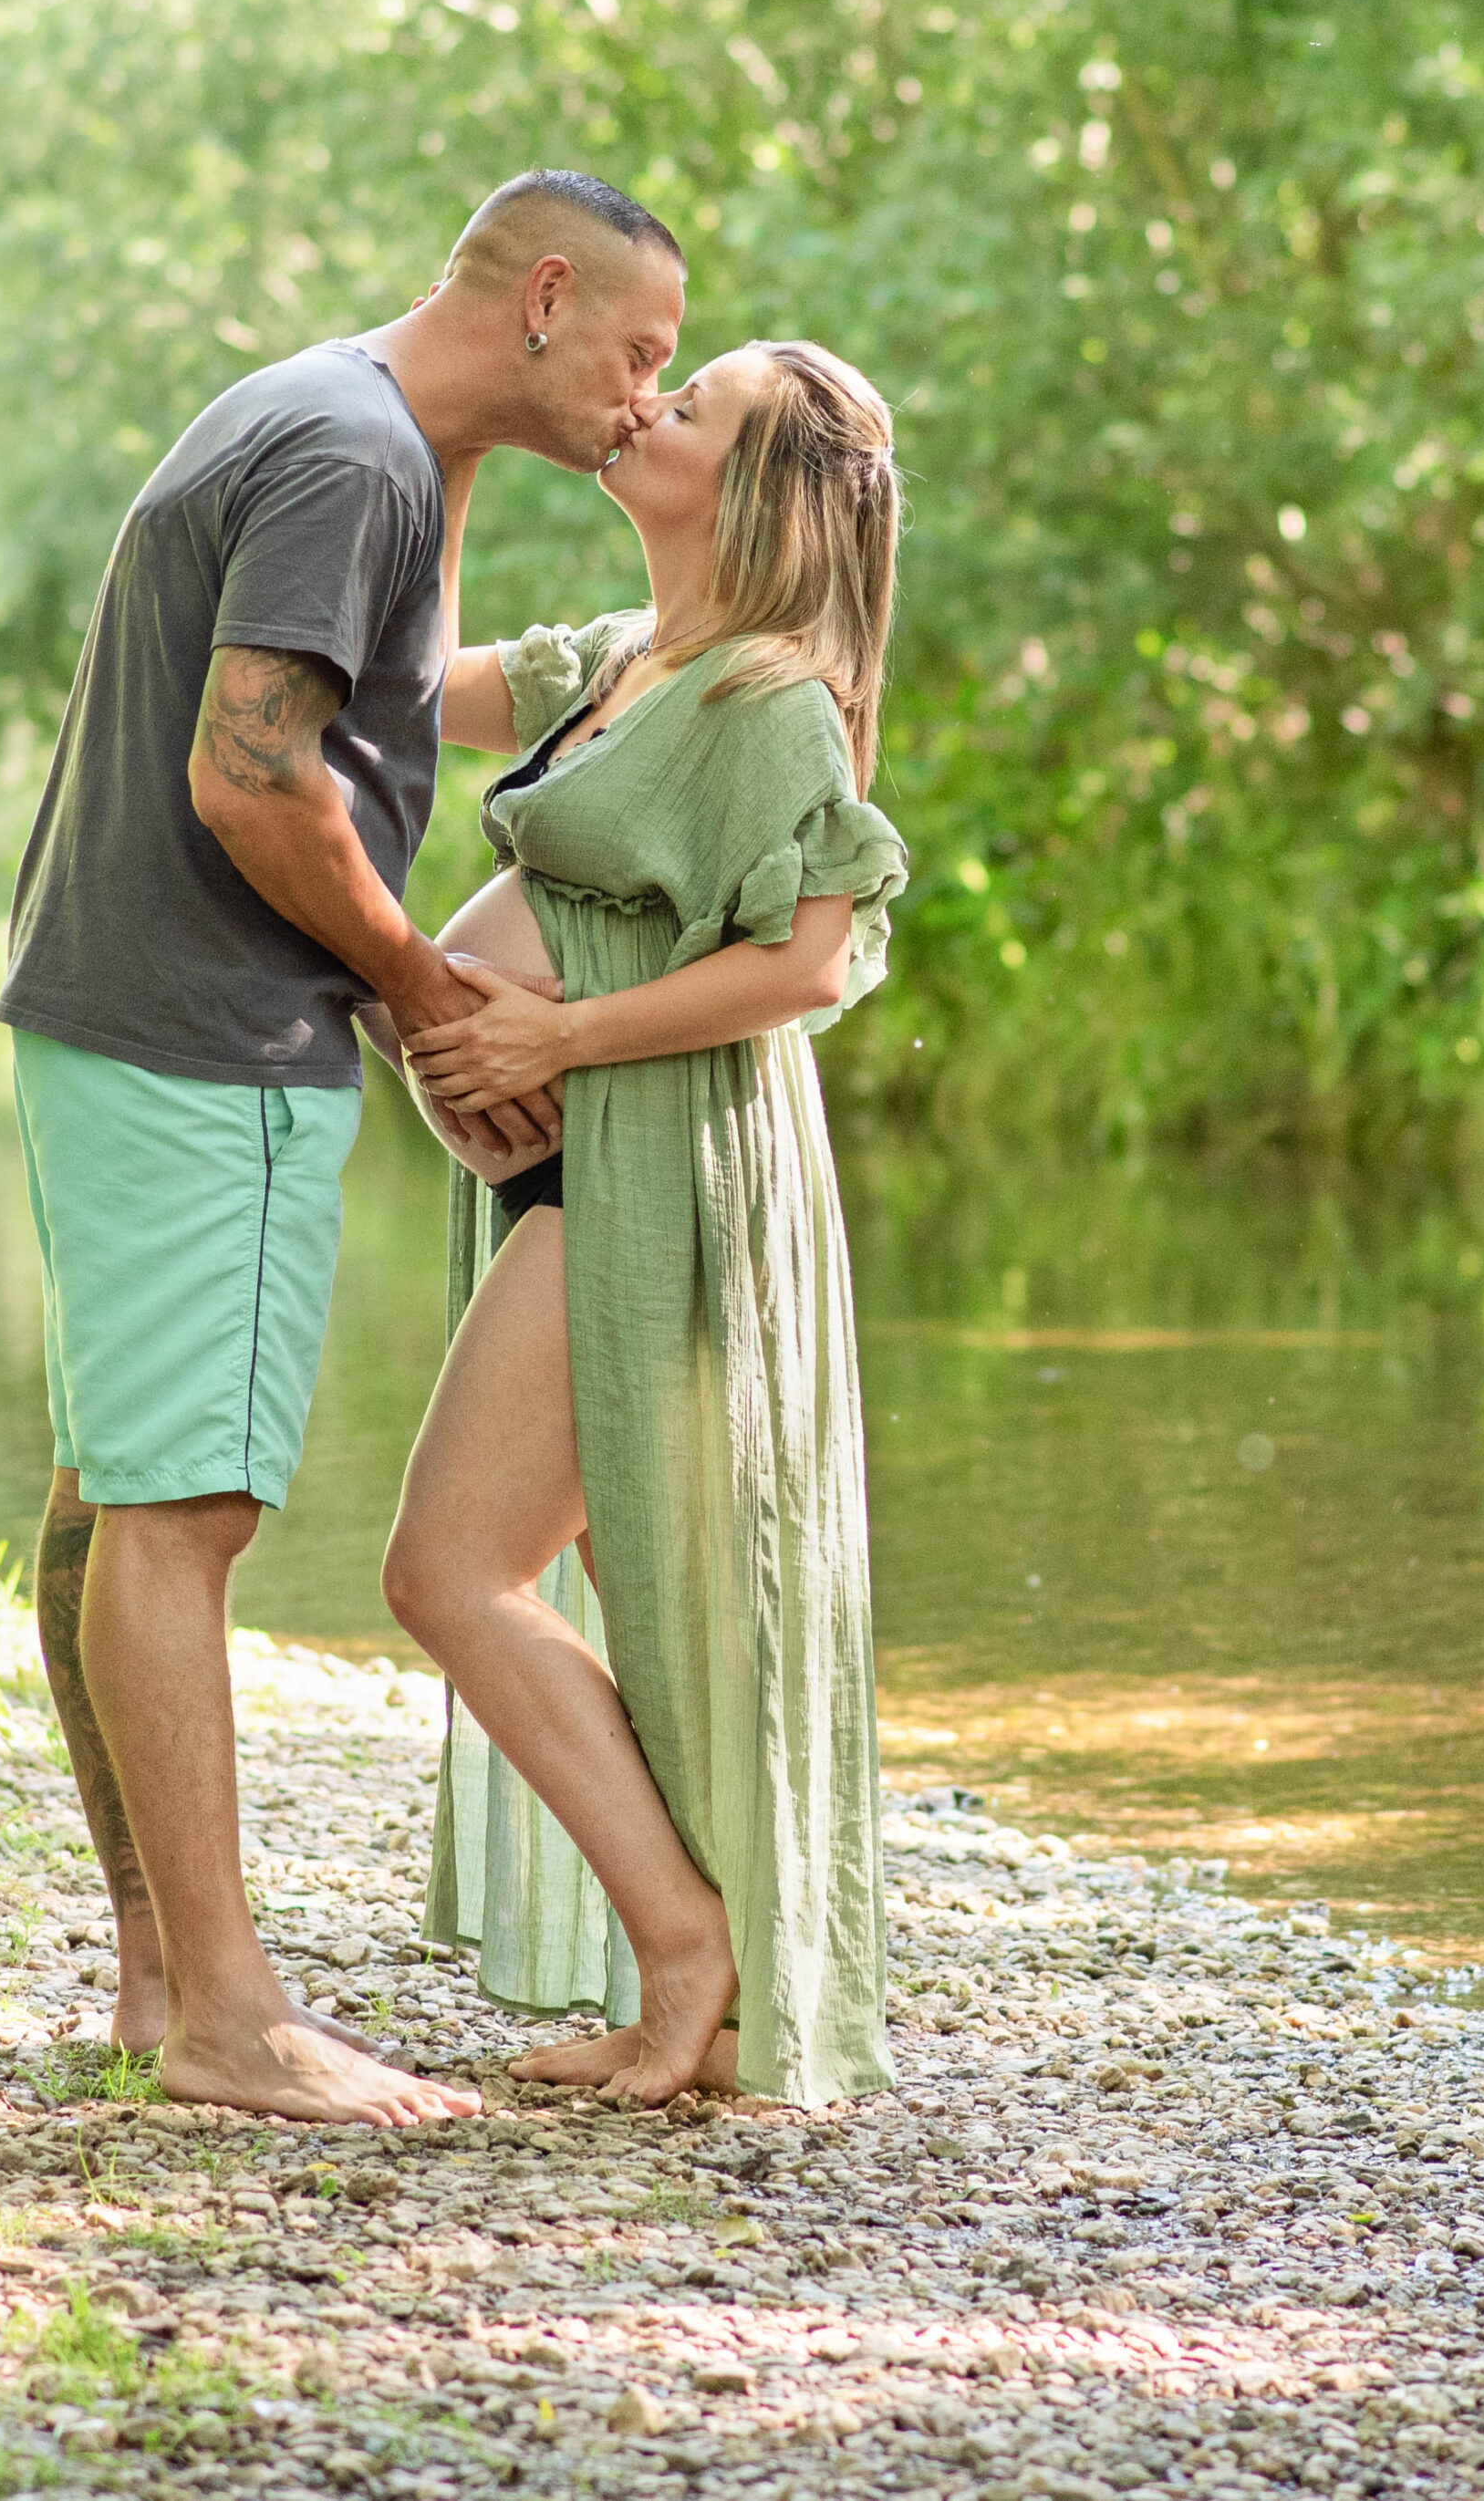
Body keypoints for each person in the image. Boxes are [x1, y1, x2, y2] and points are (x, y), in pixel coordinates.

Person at [0, 170, 683, 2125]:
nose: (648, 395)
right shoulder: (357, 457)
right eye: (638, 350)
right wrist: (416, 991)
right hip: (206, 1032)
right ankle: (229, 2017)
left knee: (117, 1487)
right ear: (545, 295)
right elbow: (251, 774)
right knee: (185, 1506)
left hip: (131, 1012)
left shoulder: (357, 429)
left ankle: (159, 1989)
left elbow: (345, 737)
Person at [376, 338, 908, 2107]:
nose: (650, 410)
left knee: (451, 1569)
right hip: (566, 1167)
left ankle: (688, 1949)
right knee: (640, 1585)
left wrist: (553, 1034)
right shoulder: (621, 658)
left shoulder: (765, 700)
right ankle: (703, 1985)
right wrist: (433, 445)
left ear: (756, 488)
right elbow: (394, 679)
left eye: (697, 409)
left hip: (657, 1172)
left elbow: (812, 956)